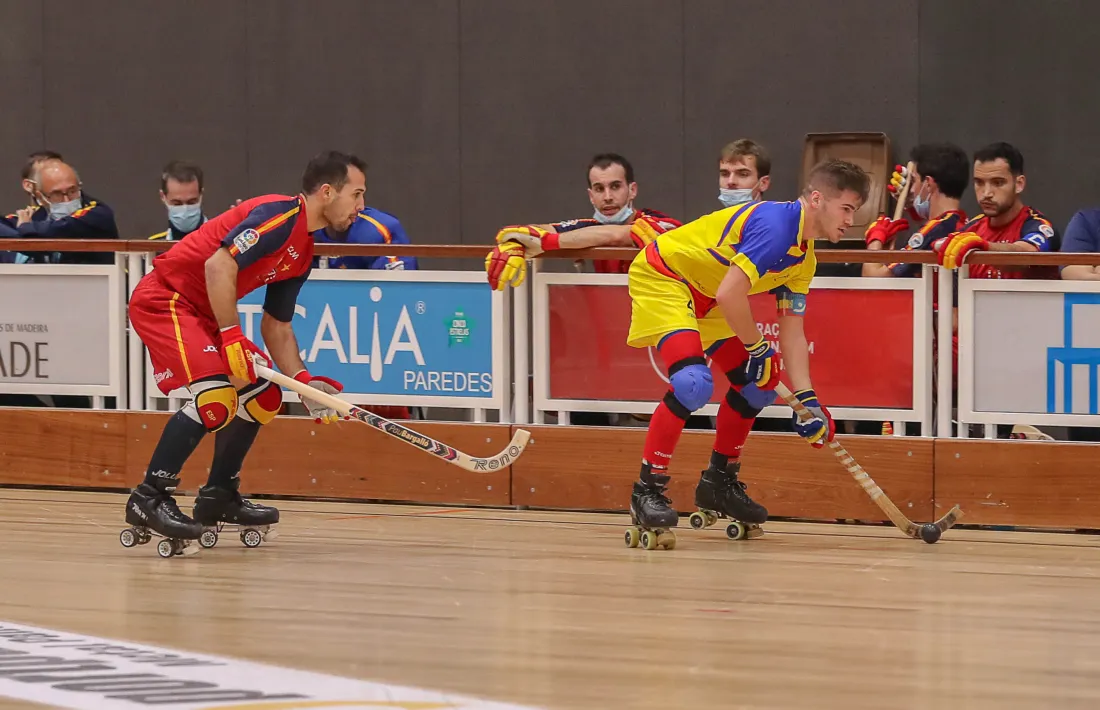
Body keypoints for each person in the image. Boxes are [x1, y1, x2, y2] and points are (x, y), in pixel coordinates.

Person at [122, 150, 367, 554]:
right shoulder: (279, 216)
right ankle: (149, 496)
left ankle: (217, 495)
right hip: (167, 300)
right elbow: (218, 267)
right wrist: (232, 335)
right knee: (217, 397)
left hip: (207, 314)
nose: (360, 206)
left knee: (264, 396)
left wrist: (305, 387)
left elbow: (277, 326)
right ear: (327, 192)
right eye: (356, 194)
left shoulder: (303, 251)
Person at [622, 159, 870, 549]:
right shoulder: (776, 227)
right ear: (818, 199)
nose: (851, 221)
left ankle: (718, 482)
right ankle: (646, 490)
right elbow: (730, 294)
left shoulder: (805, 258)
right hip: (667, 279)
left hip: (710, 293)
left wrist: (808, 402)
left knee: (756, 389)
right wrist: (757, 347)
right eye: (848, 209)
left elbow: (792, 329)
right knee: (691, 383)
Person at [485, 153, 680, 291]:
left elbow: (618, 235)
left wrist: (545, 242)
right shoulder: (588, 226)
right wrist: (516, 241)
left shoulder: (657, 221)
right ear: (590, 196)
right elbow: (542, 229)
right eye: (599, 189)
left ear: (633, 190)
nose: (608, 197)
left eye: (615, 186)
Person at [934, 142, 1058, 278]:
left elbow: (1025, 255)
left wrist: (984, 247)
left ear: (1019, 184)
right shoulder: (973, 228)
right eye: (979, 182)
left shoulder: (1039, 225)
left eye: (998, 183)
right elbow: (941, 247)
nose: (986, 193)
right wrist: (939, 244)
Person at [862, 143, 969, 277]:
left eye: (914, 181)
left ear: (928, 184)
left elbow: (874, 279)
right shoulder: (965, 224)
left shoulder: (934, 231)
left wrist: (875, 239)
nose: (912, 190)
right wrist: (911, 205)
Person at [7, 159, 119, 265]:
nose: (67, 200)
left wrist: (24, 228)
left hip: (102, 282)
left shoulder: (97, 213)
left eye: (72, 191)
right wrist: (23, 233)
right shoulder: (39, 214)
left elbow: (59, 228)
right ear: (40, 196)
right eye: (57, 194)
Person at [314, 206, 417, 271]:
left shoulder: (376, 232)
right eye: (355, 194)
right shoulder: (303, 225)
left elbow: (397, 294)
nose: (361, 205)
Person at [149, 160, 208, 241]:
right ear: (163, 197)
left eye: (191, 202)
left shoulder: (223, 243)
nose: (185, 209)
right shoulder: (153, 248)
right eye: (177, 203)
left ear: (201, 195)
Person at [717, 139, 772, 209]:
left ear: (763, 183)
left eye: (743, 174)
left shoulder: (774, 219)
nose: (730, 181)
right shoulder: (708, 220)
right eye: (725, 174)